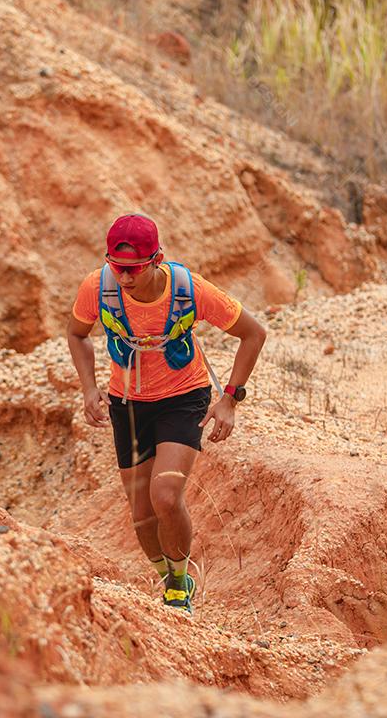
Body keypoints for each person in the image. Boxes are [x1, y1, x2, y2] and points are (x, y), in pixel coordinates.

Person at [66, 213, 266, 615]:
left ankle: (178, 584)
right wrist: (89, 388)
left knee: (166, 496)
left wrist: (229, 399)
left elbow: (253, 332)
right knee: (141, 516)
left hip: (183, 396)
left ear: (157, 259)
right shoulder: (98, 287)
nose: (123, 278)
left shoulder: (188, 289)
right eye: (116, 267)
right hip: (127, 404)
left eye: (133, 269)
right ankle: (169, 575)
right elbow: (76, 333)